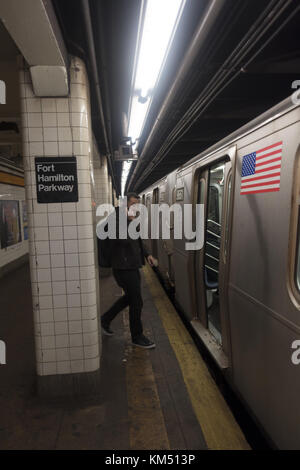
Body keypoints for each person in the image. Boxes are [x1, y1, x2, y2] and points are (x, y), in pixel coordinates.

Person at [100, 192, 156, 349]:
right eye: (132, 205)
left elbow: (137, 239)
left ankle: (105, 319)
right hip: (122, 268)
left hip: (131, 265)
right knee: (136, 301)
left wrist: (147, 254)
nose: (135, 209)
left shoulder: (128, 219)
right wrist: (130, 221)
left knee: (130, 298)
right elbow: (122, 238)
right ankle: (137, 336)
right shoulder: (115, 220)